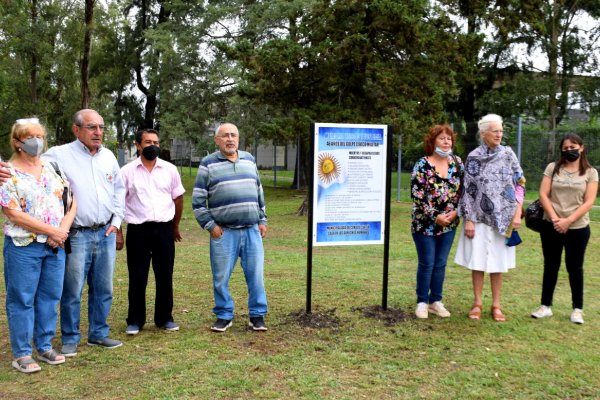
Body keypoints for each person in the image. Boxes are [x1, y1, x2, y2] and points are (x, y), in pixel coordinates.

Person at [42, 109, 126, 355]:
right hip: (77, 235)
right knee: (73, 288)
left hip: (106, 233)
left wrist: (117, 221)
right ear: (76, 129)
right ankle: (70, 338)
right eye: (92, 127)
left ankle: (98, 333)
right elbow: (30, 163)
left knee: (104, 288)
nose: (98, 132)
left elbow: (119, 190)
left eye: (101, 127)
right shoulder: (59, 155)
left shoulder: (108, 156)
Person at [0, 118, 77, 373]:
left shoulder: (53, 167)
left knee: (49, 296)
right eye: (29, 136)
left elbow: (71, 200)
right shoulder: (7, 172)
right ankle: (22, 353)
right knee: (21, 299)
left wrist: (62, 230)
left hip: (55, 245)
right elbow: (12, 213)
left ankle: (44, 345)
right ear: (17, 142)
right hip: (24, 246)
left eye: (39, 135)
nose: (37, 141)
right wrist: (51, 231)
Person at [192, 123, 268, 332]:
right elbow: (198, 201)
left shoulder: (249, 159)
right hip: (224, 233)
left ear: (238, 138)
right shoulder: (208, 163)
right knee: (221, 277)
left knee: (256, 276)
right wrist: (211, 226)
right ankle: (224, 315)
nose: (230, 139)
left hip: (252, 230)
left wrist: (262, 219)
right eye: (225, 135)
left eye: (233, 135)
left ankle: (257, 315)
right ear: (217, 140)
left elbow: (259, 192)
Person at [454, 114, 525, 322]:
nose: (499, 134)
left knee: (498, 262)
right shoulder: (474, 156)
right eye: (495, 131)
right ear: (484, 133)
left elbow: (520, 182)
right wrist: (468, 218)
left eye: (501, 131)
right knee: (478, 261)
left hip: (503, 217)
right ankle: (477, 302)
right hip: (478, 217)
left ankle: (496, 305)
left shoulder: (508, 154)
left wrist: (518, 211)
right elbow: (467, 190)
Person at [117, 129, 185, 335]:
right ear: (138, 145)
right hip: (138, 230)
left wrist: (175, 225)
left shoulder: (170, 170)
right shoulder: (127, 172)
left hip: (164, 228)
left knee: (165, 275)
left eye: (155, 142)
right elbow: (118, 204)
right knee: (138, 275)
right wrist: (118, 231)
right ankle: (135, 320)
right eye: (147, 142)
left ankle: (164, 318)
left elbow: (178, 198)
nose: (152, 146)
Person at [530, 133, 598, 324]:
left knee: (575, 267)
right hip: (551, 224)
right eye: (566, 148)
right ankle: (545, 306)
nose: (570, 150)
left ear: (582, 148)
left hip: (578, 227)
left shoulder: (591, 172)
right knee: (551, 265)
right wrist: (555, 219)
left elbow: (589, 201)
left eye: (573, 146)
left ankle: (577, 309)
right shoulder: (553, 168)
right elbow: (543, 193)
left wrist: (568, 221)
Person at [410, 124, 463, 319]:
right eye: (442, 138)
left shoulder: (457, 163)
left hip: (449, 223)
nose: (446, 141)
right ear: (432, 142)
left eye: (449, 139)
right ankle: (422, 301)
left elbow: (463, 192)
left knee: (440, 263)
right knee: (427, 263)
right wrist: (435, 216)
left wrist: (456, 213)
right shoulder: (422, 164)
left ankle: (436, 301)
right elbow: (417, 194)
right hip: (424, 224)